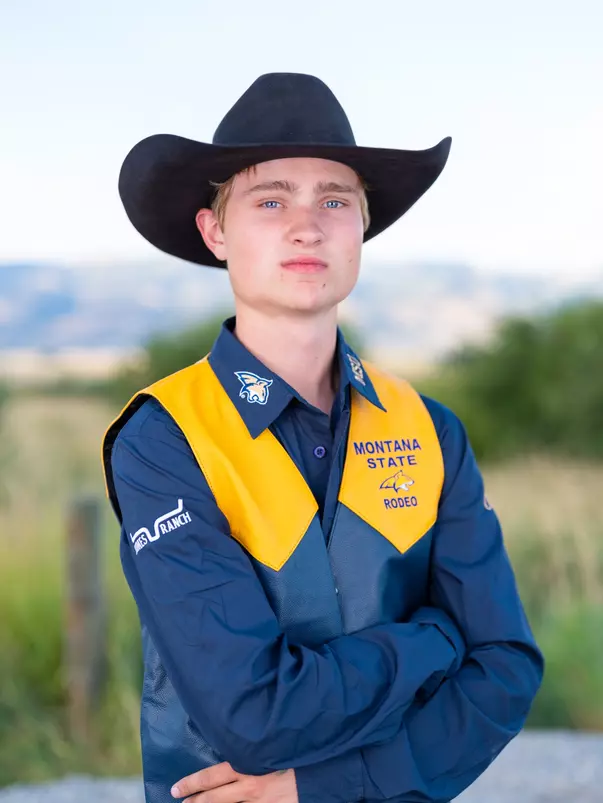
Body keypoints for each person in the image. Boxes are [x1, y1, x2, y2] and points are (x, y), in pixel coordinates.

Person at [102, 73, 544, 803]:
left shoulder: (430, 430)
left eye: (333, 200)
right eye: (269, 200)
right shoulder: (164, 438)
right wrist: (435, 639)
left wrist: (324, 784)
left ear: (360, 227)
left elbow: (505, 670)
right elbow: (257, 718)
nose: (306, 225)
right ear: (215, 231)